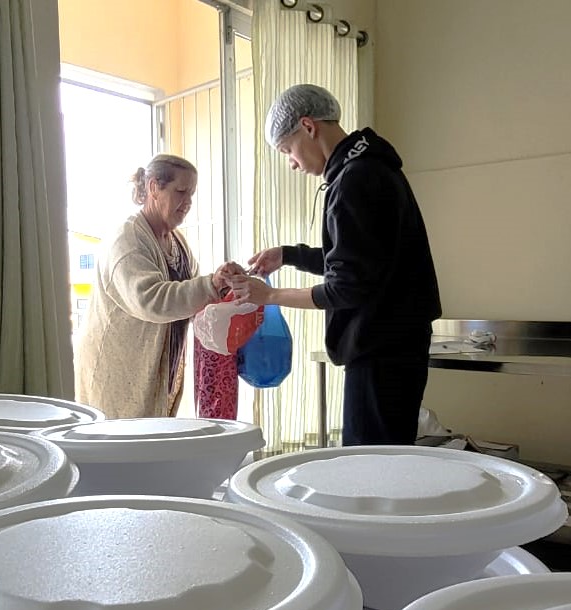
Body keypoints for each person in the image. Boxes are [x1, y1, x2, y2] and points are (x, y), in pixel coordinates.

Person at [227, 84, 441, 446]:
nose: (292, 163)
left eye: (287, 150)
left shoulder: (357, 179)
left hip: (381, 348)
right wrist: (288, 254)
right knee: (384, 458)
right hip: (392, 342)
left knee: (372, 464)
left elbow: (347, 286)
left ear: (308, 127)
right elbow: (356, 259)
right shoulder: (367, 168)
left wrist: (271, 294)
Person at [74, 154, 241, 418]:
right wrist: (211, 285)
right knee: (124, 452)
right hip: (117, 373)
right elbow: (151, 300)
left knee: (151, 446)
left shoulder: (177, 243)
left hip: (159, 371)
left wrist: (224, 288)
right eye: (181, 192)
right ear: (154, 187)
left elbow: (192, 295)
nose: (188, 203)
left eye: (192, 194)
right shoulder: (127, 240)